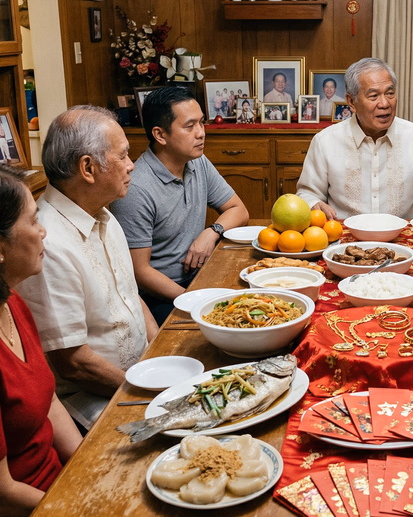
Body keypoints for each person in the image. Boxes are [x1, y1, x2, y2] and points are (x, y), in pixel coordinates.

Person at [15, 106, 158, 430]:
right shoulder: (48, 243)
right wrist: (149, 391)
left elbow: (131, 296)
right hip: (94, 402)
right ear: (88, 168)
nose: (131, 165)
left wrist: (161, 357)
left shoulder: (103, 214)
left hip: (140, 377)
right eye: (122, 156)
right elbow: (75, 364)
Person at [109, 88, 249, 325]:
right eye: (190, 126)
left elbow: (239, 210)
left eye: (202, 123)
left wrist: (211, 232)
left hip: (200, 278)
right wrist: (193, 300)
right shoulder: (137, 188)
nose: (201, 133)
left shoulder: (197, 161)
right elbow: (139, 272)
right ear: (160, 135)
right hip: (160, 296)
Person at [0, 164, 83, 514]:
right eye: (33, 221)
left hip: (59, 484)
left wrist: (89, 465)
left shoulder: (13, 301)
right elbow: (4, 494)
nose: (44, 232)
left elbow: (47, 401)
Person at [296, 57, 413, 220]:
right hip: (344, 237)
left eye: (390, 93)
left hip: (403, 238)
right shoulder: (325, 142)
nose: (384, 103)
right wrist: (313, 204)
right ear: (351, 102)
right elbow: (307, 194)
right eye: (374, 96)